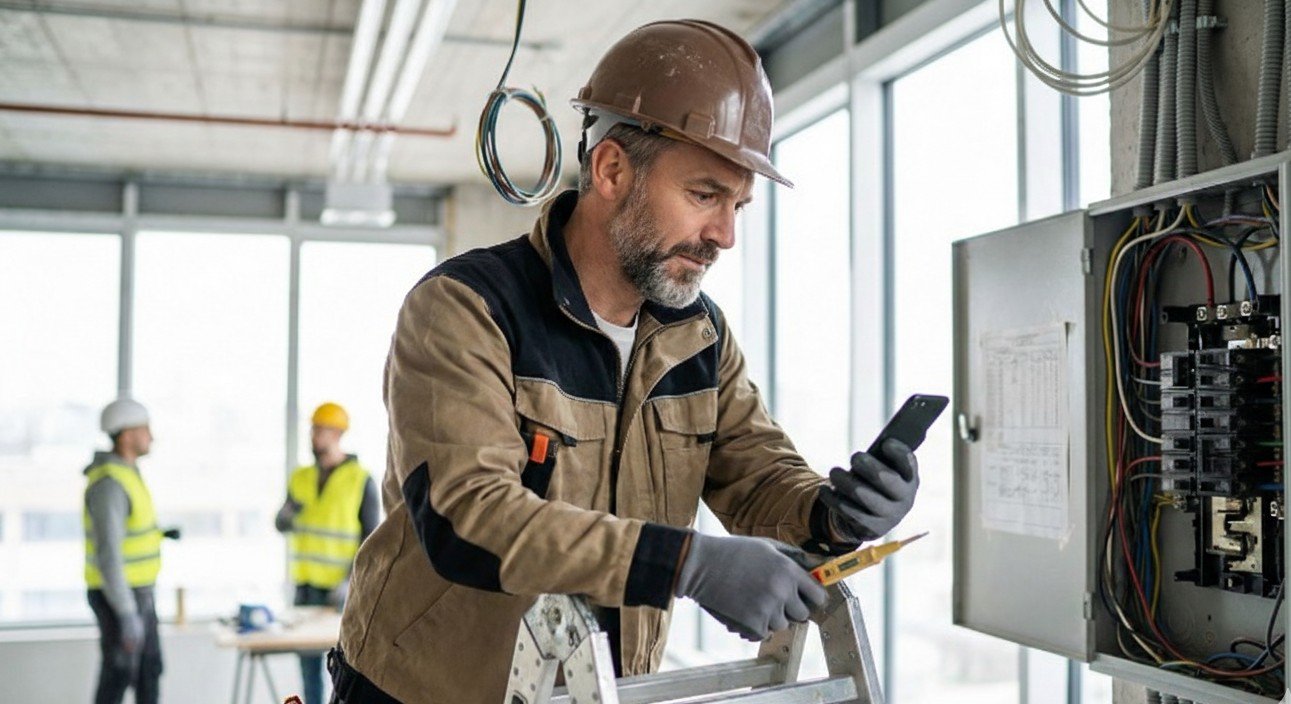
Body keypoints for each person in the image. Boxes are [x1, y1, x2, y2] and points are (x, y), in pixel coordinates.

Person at [328, 19, 921, 704]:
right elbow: (468, 519)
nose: (723, 235)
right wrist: (687, 563)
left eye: (737, 205)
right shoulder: (467, 309)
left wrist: (836, 515)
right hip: (422, 690)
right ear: (611, 170)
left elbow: (757, 478)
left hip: (598, 688)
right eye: (704, 195)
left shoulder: (698, 337)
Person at [276, 402, 378, 704]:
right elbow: (281, 522)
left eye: (320, 430)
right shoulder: (301, 477)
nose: (314, 436)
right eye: (313, 429)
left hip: (340, 594)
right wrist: (285, 516)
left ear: (338, 433)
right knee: (308, 671)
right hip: (305, 587)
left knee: (343, 668)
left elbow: (370, 542)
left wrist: (350, 583)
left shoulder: (360, 480)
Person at [84, 398, 179, 704]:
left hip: (139, 591)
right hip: (119, 596)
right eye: (144, 429)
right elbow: (108, 553)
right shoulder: (110, 483)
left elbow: (129, 533)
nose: (151, 436)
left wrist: (160, 535)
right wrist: (126, 614)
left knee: (149, 671)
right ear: (125, 435)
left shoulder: (128, 473)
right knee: (119, 673)